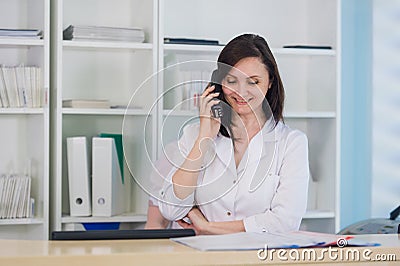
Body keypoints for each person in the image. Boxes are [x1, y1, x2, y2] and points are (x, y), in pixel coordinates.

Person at [157, 33, 309, 235]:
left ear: (270, 82)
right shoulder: (195, 134)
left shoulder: (291, 143)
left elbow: (284, 222)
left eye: (253, 82)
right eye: (232, 81)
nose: (241, 92)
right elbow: (171, 208)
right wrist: (204, 138)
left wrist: (208, 227)